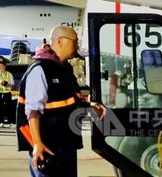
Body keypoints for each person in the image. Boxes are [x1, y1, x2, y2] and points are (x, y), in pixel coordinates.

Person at [18, 25, 106, 177]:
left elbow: (69, 102)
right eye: (75, 41)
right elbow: (33, 111)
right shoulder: (40, 69)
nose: (77, 45)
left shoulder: (63, 69)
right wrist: (37, 144)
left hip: (65, 145)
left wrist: (88, 106)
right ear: (60, 41)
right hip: (48, 148)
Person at [0, 61, 15, 127]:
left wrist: (7, 84)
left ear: (4, 67)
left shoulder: (9, 74)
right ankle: (1, 122)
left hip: (7, 93)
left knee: (9, 108)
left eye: (1, 66)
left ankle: (11, 122)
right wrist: (0, 82)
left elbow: (12, 84)